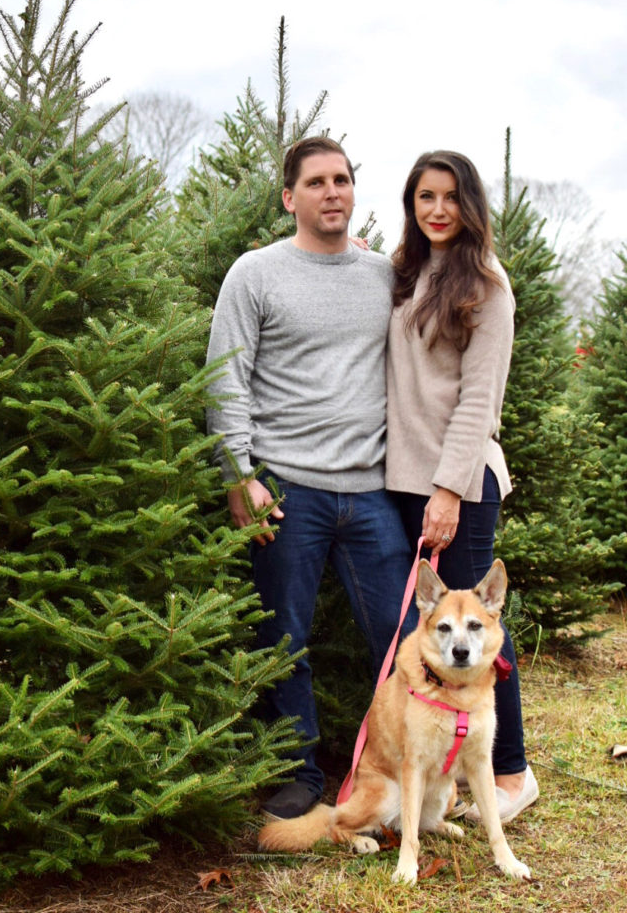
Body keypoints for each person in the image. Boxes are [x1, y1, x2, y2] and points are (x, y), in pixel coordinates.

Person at [205, 137, 412, 820]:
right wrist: (240, 475)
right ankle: (299, 774)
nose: (333, 192)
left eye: (343, 179)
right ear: (290, 197)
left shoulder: (386, 275)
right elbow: (225, 378)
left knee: (403, 635)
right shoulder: (254, 274)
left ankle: (406, 772)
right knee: (282, 636)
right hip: (286, 490)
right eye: (317, 182)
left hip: (370, 490)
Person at [386, 149, 539, 823]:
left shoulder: (485, 284)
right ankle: (442, 766)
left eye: (449, 197)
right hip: (400, 476)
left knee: (473, 631)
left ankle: (511, 774)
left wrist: (447, 491)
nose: (436, 209)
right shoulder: (409, 272)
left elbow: (479, 400)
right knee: (428, 632)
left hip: (459, 483)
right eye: (424, 197)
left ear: (469, 205)